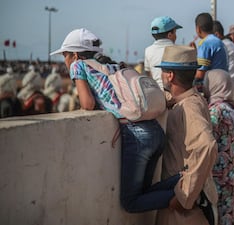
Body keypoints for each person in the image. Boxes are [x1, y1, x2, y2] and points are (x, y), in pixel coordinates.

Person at [50, 28, 180, 213]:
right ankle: (186, 181)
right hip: (155, 130)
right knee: (146, 191)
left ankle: (188, 195)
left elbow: (87, 104)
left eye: (65, 55)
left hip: (137, 136)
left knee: (130, 202)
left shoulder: (78, 66)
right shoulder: (112, 64)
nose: (65, 60)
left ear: (75, 54)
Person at [155, 45, 218, 225]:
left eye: (163, 71)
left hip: (185, 210)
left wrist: (185, 196)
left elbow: (207, 145)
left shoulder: (189, 107)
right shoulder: (190, 99)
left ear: (170, 75)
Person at [203, 69, 234, 225]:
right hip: (232, 174)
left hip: (220, 177)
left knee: (219, 214)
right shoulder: (231, 108)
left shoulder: (216, 111)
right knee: (230, 213)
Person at [191, 13, 228, 92]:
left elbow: (200, 74)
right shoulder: (219, 41)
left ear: (198, 29)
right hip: (223, 83)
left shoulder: (205, 43)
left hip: (212, 85)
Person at [145, 16, 182, 90]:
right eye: (175, 32)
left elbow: (149, 75)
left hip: (157, 93)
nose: (176, 36)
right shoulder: (178, 50)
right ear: (170, 35)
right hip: (175, 93)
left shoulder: (148, 50)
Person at [212, 20, 234, 89]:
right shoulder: (229, 44)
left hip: (225, 87)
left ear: (216, 35)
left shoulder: (222, 46)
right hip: (232, 84)